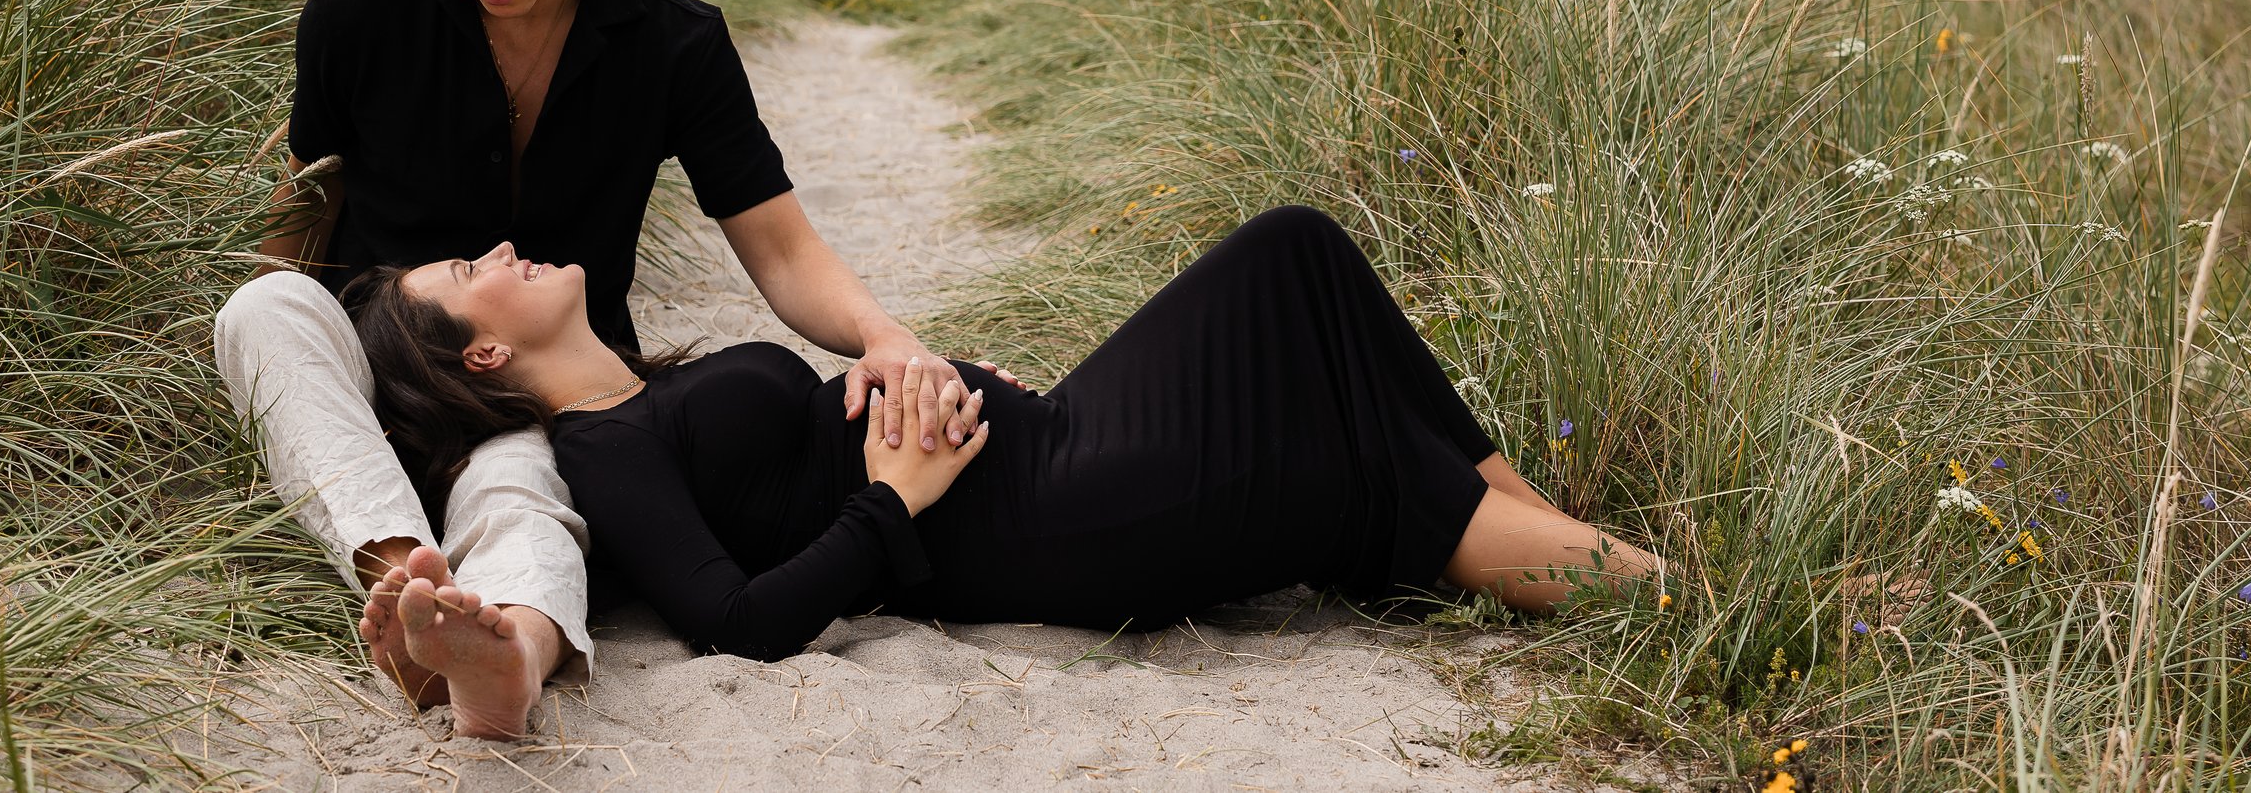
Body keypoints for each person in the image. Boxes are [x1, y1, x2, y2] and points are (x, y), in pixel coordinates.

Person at [211, 0, 1010, 739]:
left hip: (538, 405)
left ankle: (497, 654)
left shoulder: (671, 41)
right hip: (381, 390)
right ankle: (399, 582)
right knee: (258, 310)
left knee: (520, 476)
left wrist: (886, 338)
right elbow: (302, 209)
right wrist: (269, 408)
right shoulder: (356, 13)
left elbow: (783, 249)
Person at [342, 203, 1666, 715]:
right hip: (1048, 522)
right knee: (1348, 461)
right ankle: (1664, 596)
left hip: (1052, 437)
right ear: (484, 360)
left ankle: (1547, 526)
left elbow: (787, 454)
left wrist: (908, 374)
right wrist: (892, 497)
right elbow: (732, 619)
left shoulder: (654, 390)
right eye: (475, 272)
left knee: (1296, 254)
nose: (503, 249)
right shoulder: (605, 450)